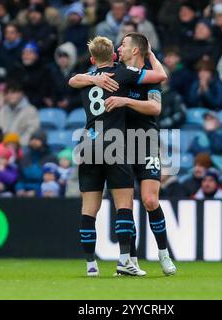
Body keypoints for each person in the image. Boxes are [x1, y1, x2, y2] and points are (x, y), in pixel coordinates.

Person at [68, 36, 166, 277]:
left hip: (88, 144)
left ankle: (91, 266)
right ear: (113, 56)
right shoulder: (122, 73)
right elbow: (159, 76)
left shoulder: (84, 80)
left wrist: (92, 78)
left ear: (92, 59)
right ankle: (125, 260)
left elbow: (71, 80)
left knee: (88, 209)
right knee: (124, 205)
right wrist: (151, 55)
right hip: (113, 144)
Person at [9, 41, 58, 108]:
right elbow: (13, 88)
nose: (26, 55)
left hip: (37, 106)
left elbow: (43, 92)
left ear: (36, 55)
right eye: (24, 53)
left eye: (30, 53)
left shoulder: (44, 71)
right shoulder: (17, 69)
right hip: (17, 104)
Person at [0, 82, 40, 147]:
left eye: (13, 92)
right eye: (7, 93)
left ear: (21, 93)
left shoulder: (31, 110)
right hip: (3, 147)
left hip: (23, 147)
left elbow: (32, 131)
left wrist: (17, 144)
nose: (10, 95)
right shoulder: (0, 112)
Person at [16, 130, 55, 197]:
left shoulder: (51, 158)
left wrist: (36, 192)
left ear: (43, 142)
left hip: (42, 194)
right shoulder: (25, 157)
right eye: (32, 139)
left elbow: (51, 181)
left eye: (37, 139)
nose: (34, 141)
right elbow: (19, 178)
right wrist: (20, 189)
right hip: (23, 193)